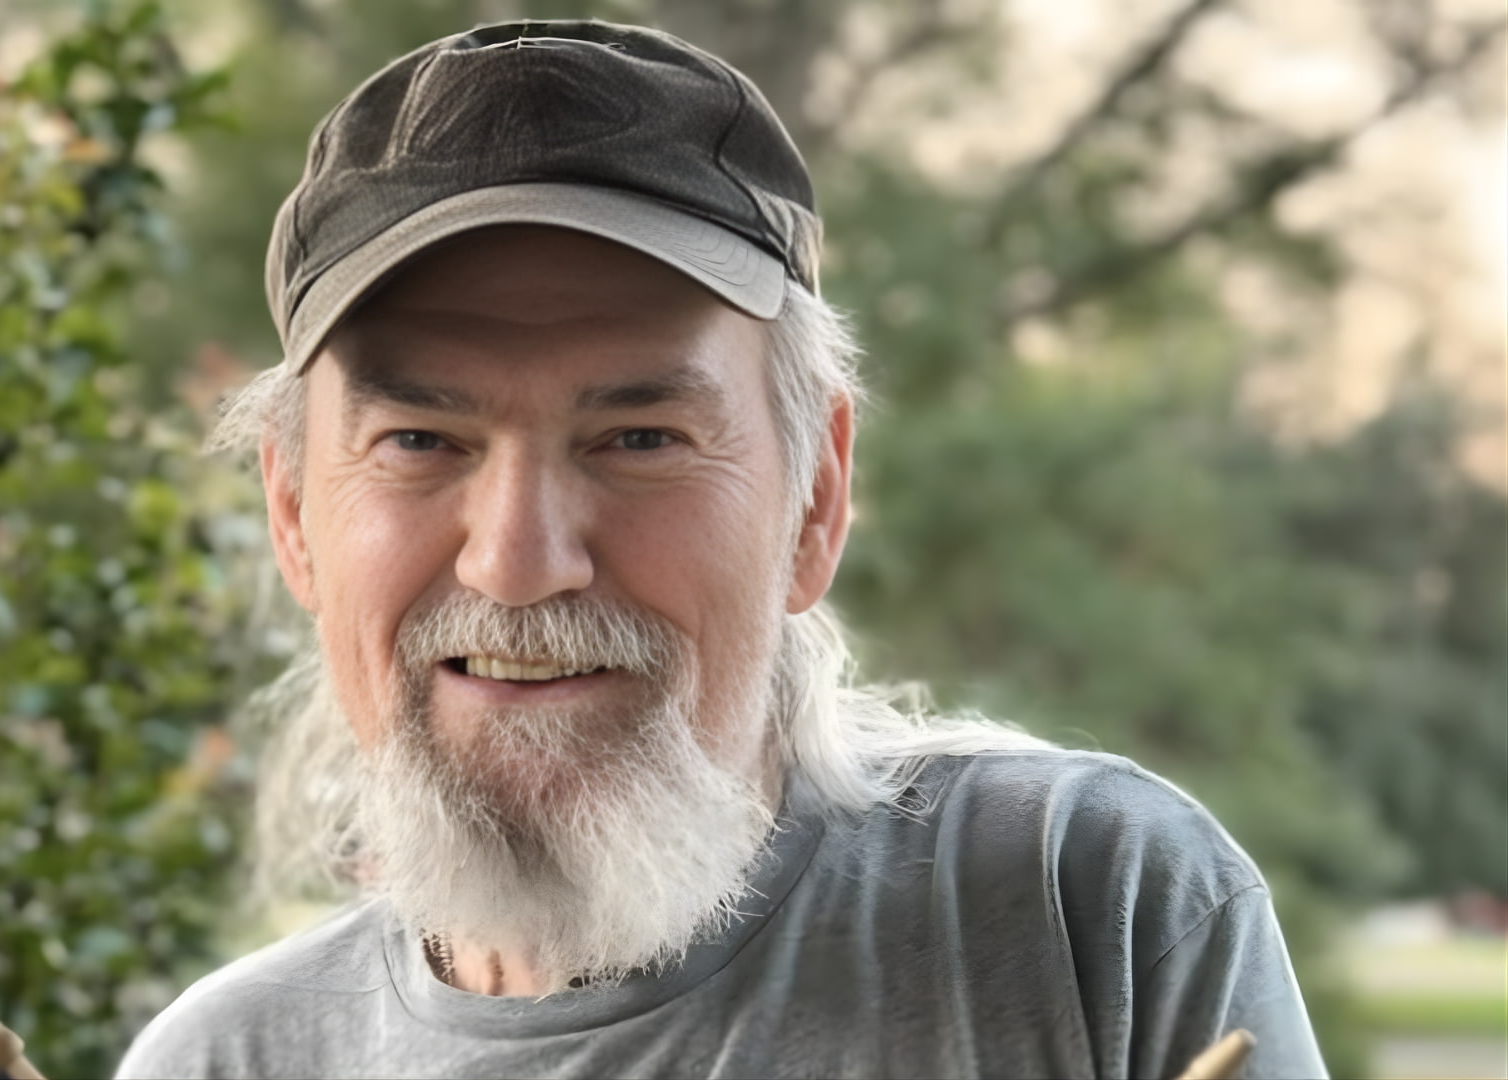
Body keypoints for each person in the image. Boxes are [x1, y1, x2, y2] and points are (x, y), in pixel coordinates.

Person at [117, 19, 1326, 1080]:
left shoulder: (1082, 917)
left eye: (639, 436)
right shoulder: (221, 1060)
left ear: (816, 497)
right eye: (421, 440)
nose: (519, 564)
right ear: (293, 518)